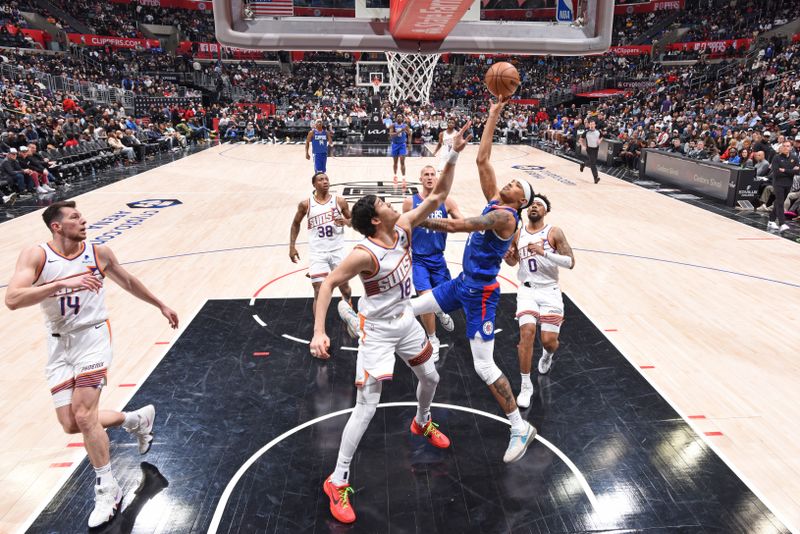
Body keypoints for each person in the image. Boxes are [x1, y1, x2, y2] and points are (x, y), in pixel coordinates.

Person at [309, 121, 472, 524]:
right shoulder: (364, 254)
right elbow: (328, 282)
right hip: (378, 332)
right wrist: (317, 329)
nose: (390, 203)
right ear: (376, 221)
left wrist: (452, 153)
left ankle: (421, 422)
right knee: (366, 408)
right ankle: (338, 479)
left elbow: (439, 195)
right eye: (383, 205)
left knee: (431, 379)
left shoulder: (402, 228)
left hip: (405, 321)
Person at [4, 201, 178, 528]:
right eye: (74, 217)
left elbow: (127, 281)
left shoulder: (99, 253)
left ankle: (107, 488)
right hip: (58, 343)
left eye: (82, 215)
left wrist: (160, 304)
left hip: (93, 337)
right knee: (73, 423)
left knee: (84, 414)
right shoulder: (36, 255)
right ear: (56, 226)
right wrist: (59, 285)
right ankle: (136, 419)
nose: (83, 220)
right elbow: (12, 299)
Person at [410, 96, 537, 464]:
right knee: (413, 306)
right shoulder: (498, 202)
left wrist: (416, 219)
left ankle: (518, 426)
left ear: (520, 201)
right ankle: (366, 323)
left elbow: (458, 225)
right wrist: (494, 115)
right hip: (462, 283)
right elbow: (483, 159)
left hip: (481, 293)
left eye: (514, 184)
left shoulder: (505, 219)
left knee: (484, 366)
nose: (507, 182)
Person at [502, 194, 575, 408]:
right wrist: (508, 257)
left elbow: (570, 262)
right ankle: (526, 385)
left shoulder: (554, 232)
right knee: (526, 334)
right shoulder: (518, 233)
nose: (534, 206)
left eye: (539, 204)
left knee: (549, 342)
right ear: (527, 210)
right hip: (526, 291)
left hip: (550, 291)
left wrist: (545, 253)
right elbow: (514, 261)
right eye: (532, 204)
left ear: (546, 211)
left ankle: (547, 355)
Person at [401, 165, 462, 361]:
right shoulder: (410, 202)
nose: (429, 177)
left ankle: (440, 310)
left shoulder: (446, 201)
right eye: (425, 174)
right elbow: (404, 230)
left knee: (446, 298)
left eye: (432, 174)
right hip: (418, 259)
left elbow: (461, 222)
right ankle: (432, 339)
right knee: (425, 298)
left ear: (436, 179)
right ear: (420, 179)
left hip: (438, 258)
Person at [289, 171, 356, 334]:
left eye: (326, 179)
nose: (325, 181)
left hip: (337, 250)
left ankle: (348, 310)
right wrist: (292, 246)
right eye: (321, 179)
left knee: (345, 288)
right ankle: (319, 330)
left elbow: (354, 221)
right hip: (317, 253)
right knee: (318, 290)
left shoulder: (339, 201)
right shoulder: (306, 204)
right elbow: (295, 224)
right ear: (314, 184)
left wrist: (346, 221)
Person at [768, 140, 800, 233]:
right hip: (778, 183)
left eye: (788, 146)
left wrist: (784, 170)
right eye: (784, 146)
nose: (786, 148)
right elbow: (777, 172)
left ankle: (771, 220)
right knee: (781, 202)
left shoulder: (795, 158)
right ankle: (782, 224)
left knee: (778, 202)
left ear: (791, 147)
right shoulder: (776, 158)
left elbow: (797, 171)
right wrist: (791, 170)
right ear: (781, 147)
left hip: (788, 183)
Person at [389, 113, 411, 183]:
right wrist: (401, 131)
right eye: (398, 116)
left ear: (402, 118)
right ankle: (395, 176)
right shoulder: (393, 125)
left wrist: (409, 143)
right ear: (396, 118)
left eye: (400, 116)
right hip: (395, 145)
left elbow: (410, 134)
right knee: (395, 162)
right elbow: (391, 135)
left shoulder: (405, 126)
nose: (399, 118)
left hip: (402, 145)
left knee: (402, 161)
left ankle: (403, 177)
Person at [579, 118, 601, 184]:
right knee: (593, 164)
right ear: (589, 125)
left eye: (593, 124)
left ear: (595, 125)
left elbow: (602, 136)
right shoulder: (586, 132)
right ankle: (596, 178)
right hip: (589, 149)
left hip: (596, 149)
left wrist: (600, 140)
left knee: (592, 162)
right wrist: (582, 146)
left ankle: (583, 164)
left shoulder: (598, 132)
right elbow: (580, 139)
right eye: (590, 124)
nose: (591, 126)